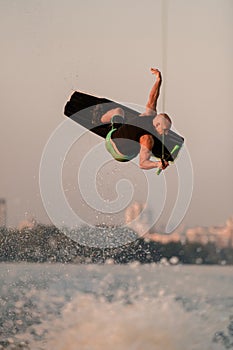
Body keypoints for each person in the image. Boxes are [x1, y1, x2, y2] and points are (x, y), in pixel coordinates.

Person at [101, 68, 172, 170]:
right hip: (120, 155)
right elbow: (143, 164)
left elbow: (153, 97)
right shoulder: (148, 139)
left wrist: (158, 80)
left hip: (111, 139)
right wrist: (157, 164)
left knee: (118, 112)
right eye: (165, 130)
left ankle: (102, 120)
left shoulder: (149, 114)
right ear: (157, 125)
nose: (167, 134)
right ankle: (146, 151)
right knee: (145, 145)